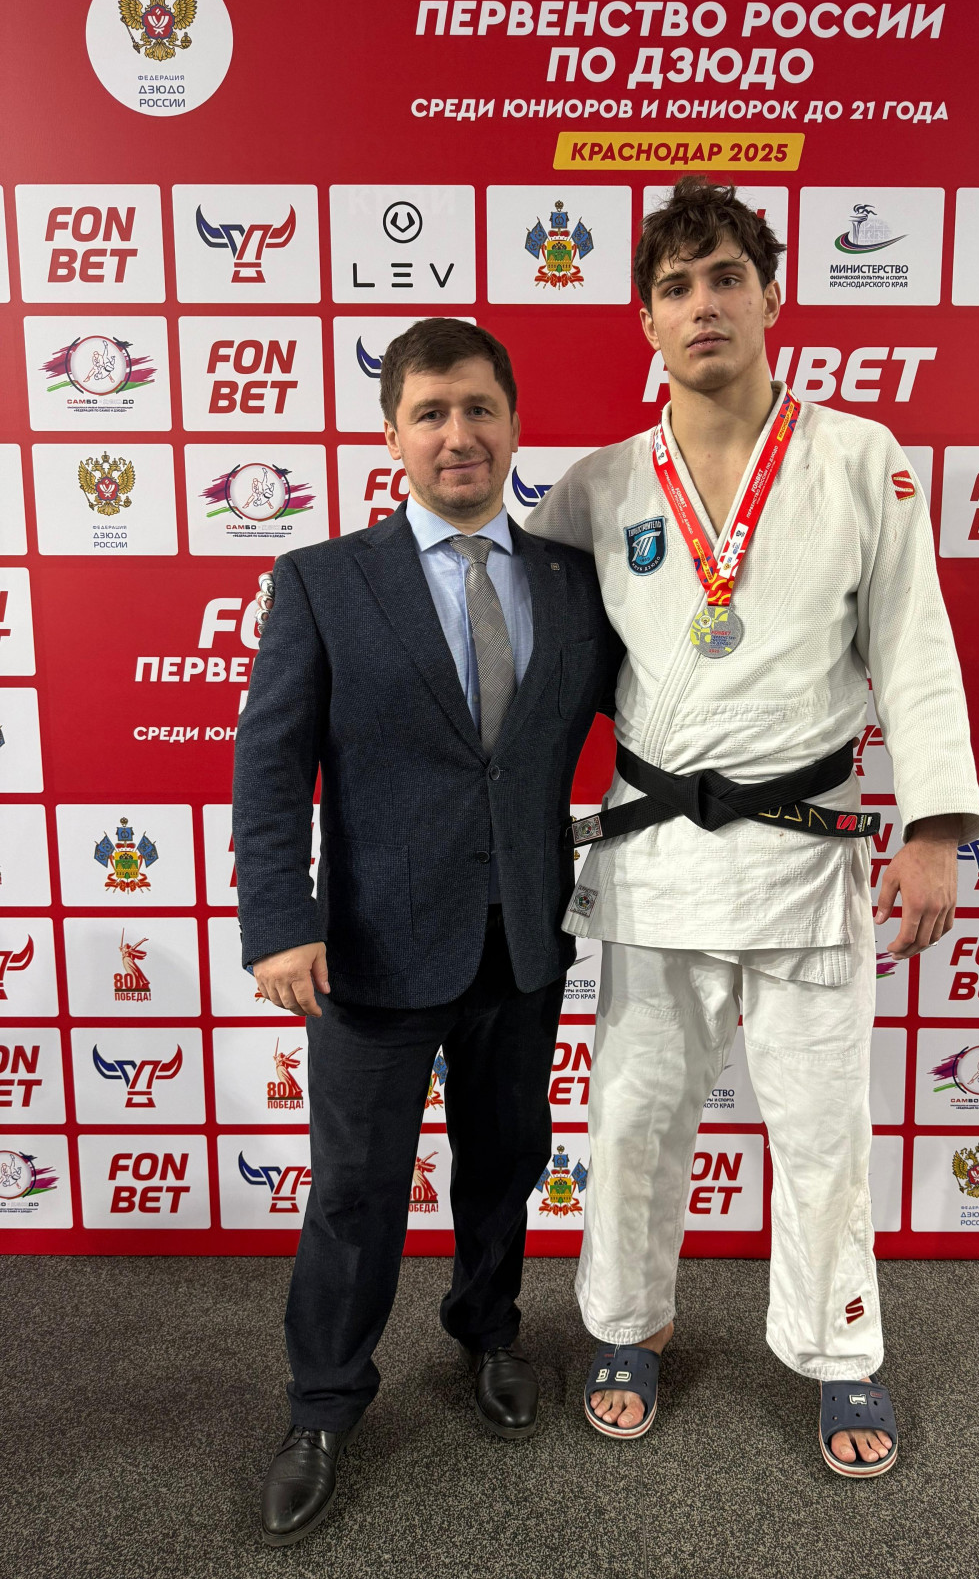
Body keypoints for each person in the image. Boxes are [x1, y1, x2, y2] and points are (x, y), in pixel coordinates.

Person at [525, 177, 979, 1477]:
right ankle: (627, 1325)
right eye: (675, 288)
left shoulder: (861, 458)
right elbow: (541, 686)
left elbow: (914, 647)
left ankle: (840, 1349)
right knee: (634, 1116)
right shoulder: (598, 487)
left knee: (826, 1126)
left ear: (772, 294)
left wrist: (935, 829)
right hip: (655, 852)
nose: (704, 305)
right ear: (646, 322)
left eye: (726, 276)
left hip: (808, 848)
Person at [233, 318, 620, 1546]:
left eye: (479, 408)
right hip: (371, 948)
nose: (459, 434)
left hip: (524, 941)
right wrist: (278, 922)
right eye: (431, 413)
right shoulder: (322, 579)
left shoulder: (577, 580)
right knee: (355, 1190)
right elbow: (270, 763)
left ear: (514, 421)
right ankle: (322, 1401)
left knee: (504, 1160)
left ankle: (488, 1331)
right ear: (392, 435)